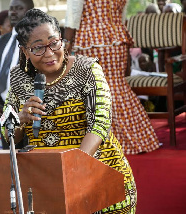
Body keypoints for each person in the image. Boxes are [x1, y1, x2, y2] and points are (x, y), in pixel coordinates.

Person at [3, 9, 137, 213]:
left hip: (98, 176)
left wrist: (74, 171)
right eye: (38, 48)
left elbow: (99, 124)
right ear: (25, 51)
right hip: (45, 183)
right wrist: (21, 118)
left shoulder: (87, 69)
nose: (49, 53)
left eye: (54, 43)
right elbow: (8, 133)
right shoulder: (19, 79)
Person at [63, 0, 159, 155]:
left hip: (91, 39)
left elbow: (73, 14)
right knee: (117, 86)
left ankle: (101, 142)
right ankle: (138, 139)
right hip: (117, 39)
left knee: (95, 89)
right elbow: (123, 16)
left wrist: (66, 42)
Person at [0, 0, 34, 118]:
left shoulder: (36, 40)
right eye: (11, 9)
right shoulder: (1, 41)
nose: (13, 12)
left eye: (18, 8)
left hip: (28, 112)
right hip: (4, 112)